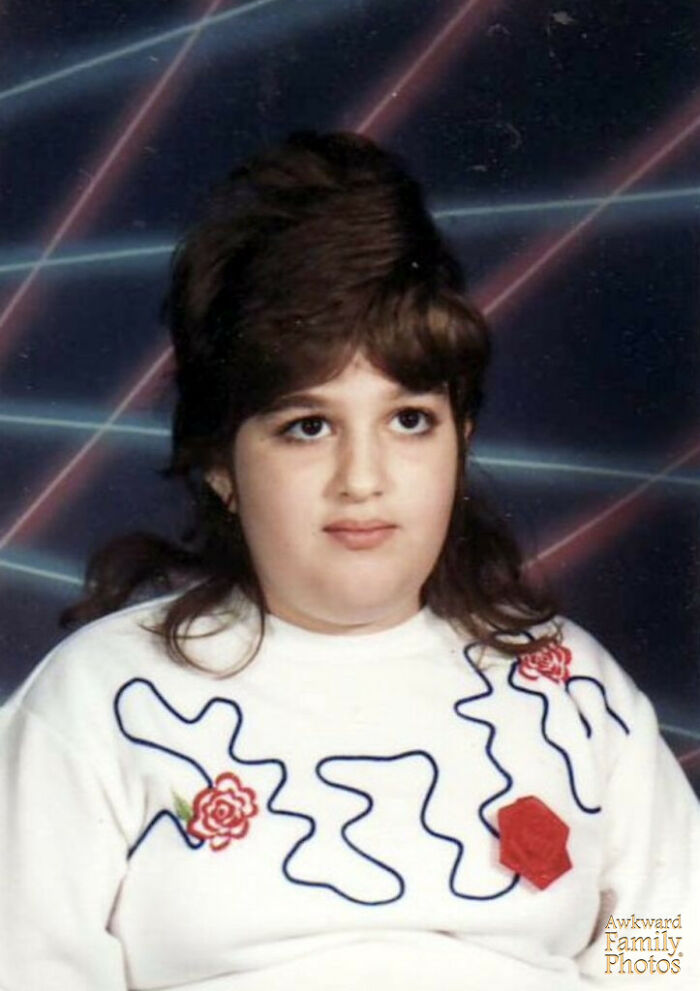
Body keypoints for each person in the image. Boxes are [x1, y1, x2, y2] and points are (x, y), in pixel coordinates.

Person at [0, 132, 697, 991]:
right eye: (307, 426)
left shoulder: (574, 693)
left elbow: (669, 931)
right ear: (221, 461)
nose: (362, 480)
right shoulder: (98, 700)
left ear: (460, 436)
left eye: (408, 420)